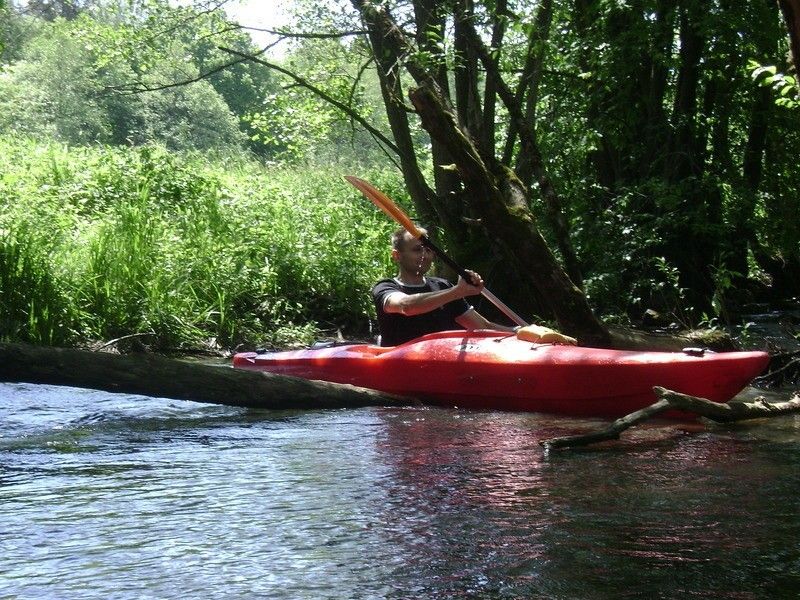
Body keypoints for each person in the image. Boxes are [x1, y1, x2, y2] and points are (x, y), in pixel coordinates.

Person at [371, 227, 519, 346]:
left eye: (428, 250)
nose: (425, 255)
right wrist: (457, 291)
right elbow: (406, 306)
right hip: (401, 369)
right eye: (417, 250)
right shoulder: (385, 287)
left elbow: (482, 326)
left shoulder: (442, 286)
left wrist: (518, 332)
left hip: (439, 365)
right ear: (397, 255)